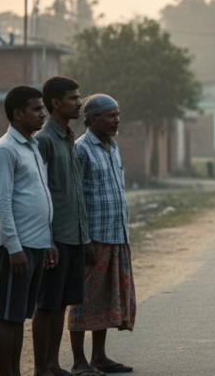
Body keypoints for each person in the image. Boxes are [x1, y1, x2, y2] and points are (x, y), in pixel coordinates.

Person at [0, 86, 58, 376]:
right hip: (16, 247)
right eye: (36, 109)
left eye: (43, 108)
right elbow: (1, 203)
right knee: (8, 316)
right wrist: (13, 248)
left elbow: (40, 197)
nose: (43, 114)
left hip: (36, 244)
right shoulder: (4, 149)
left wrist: (49, 241)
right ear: (18, 114)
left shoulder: (31, 146)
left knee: (19, 315)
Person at [33, 77, 99, 376]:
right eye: (72, 98)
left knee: (61, 304)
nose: (79, 102)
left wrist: (85, 238)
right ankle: (40, 367)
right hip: (54, 237)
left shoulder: (69, 138)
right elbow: (41, 195)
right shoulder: (44, 141)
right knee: (47, 305)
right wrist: (45, 240)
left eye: (78, 96)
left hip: (74, 237)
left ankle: (53, 365)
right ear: (55, 103)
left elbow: (75, 194)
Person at [69, 94, 136, 374]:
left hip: (116, 235)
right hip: (92, 239)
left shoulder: (113, 147)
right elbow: (75, 199)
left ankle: (99, 357)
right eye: (110, 116)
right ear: (92, 119)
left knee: (107, 298)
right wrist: (82, 240)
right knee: (83, 301)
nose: (116, 120)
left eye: (117, 114)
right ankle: (79, 361)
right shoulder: (81, 149)